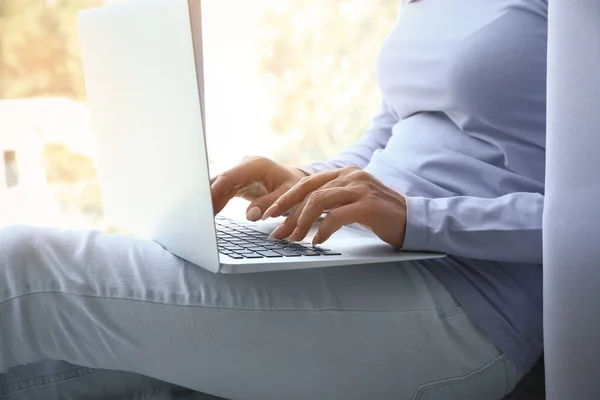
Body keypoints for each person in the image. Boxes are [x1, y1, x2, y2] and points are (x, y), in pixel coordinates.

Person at [0, 0, 547, 399]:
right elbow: (387, 139)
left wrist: (416, 219)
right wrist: (305, 177)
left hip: (469, 306)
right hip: (363, 253)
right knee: (40, 377)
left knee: (21, 270)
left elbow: (584, 215)